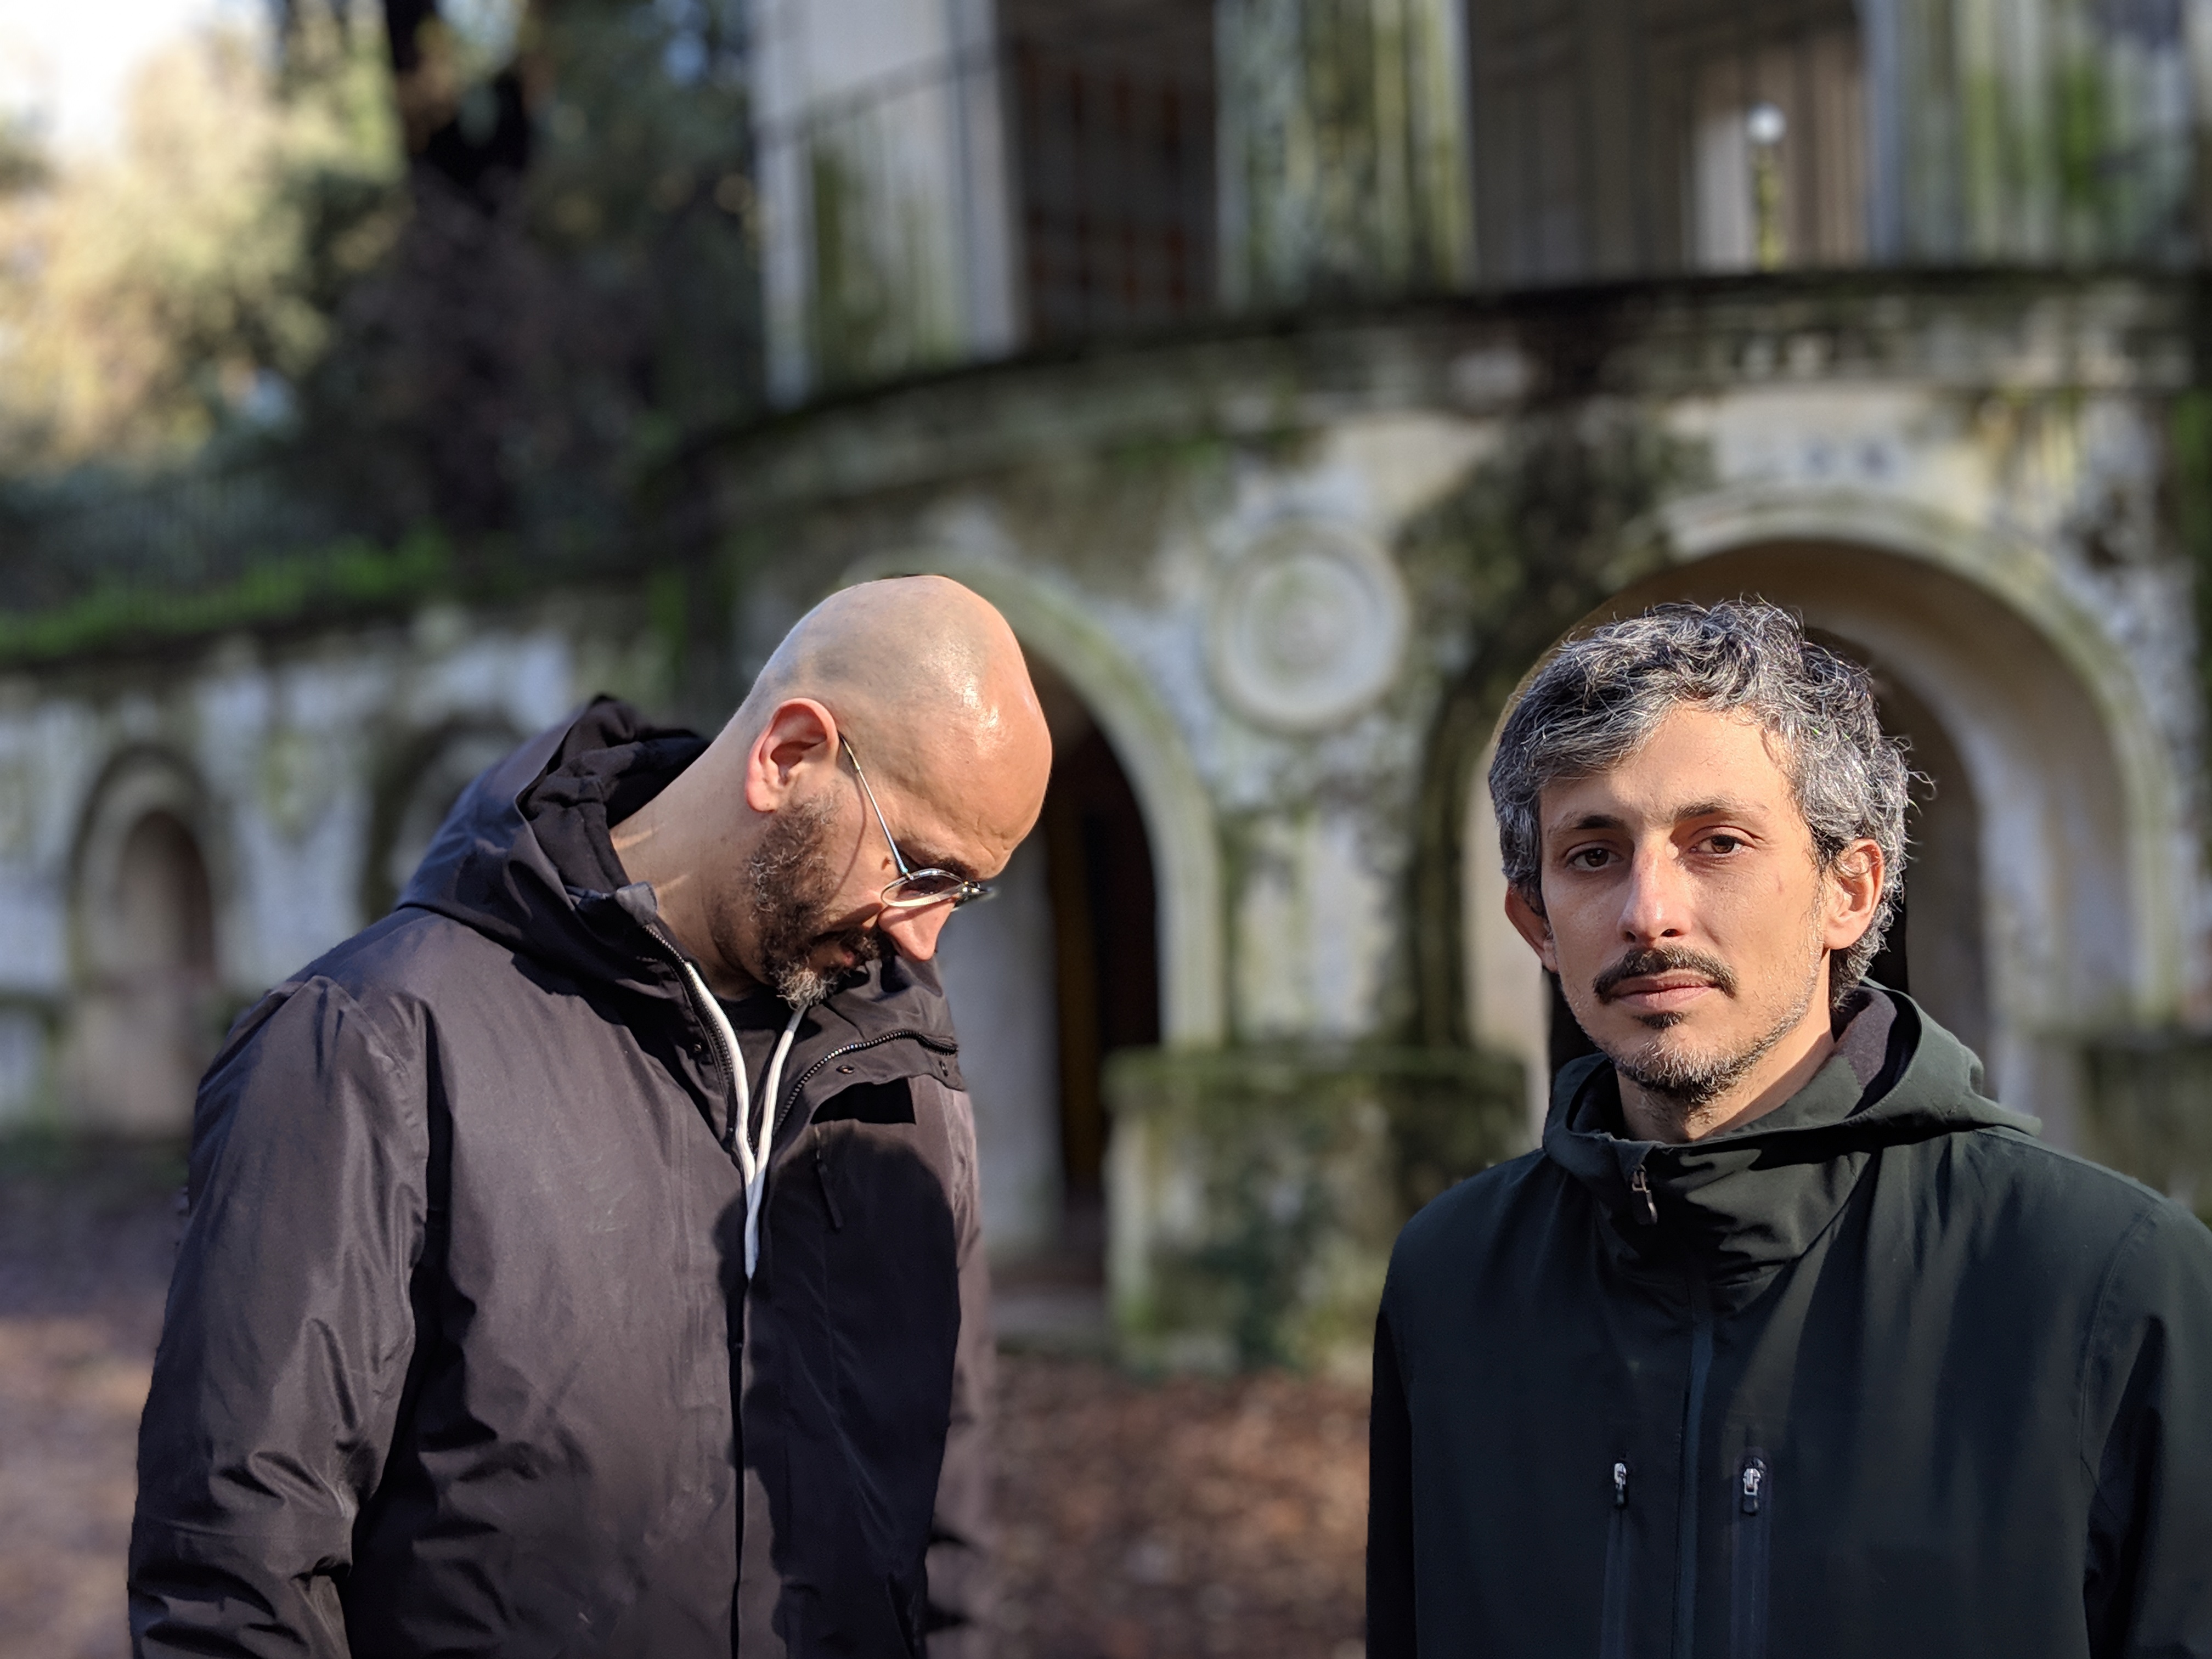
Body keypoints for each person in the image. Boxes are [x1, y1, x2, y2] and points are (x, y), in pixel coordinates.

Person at [129, 575, 1053, 1657]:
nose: (924, 939)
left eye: (964, 891)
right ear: (789, 756)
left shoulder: (903, 1068)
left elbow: (945, 1540)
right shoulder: (370, 1046)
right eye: (917, 869)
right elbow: (233, 1586)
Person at [1367, 600, 2212, 1656]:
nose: (1649, 912)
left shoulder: (2111, 1284)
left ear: (1848, 891)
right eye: (1593, 853)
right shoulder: (1452, 1281)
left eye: (1717, 843)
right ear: (1536, 921)